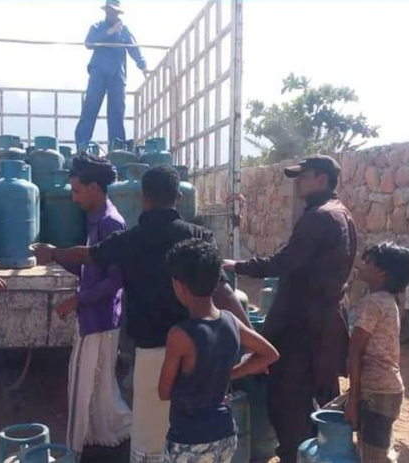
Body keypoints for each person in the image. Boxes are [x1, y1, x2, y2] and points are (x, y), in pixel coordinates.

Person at [32, 165, 249, 463]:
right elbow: (223, 291)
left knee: (150, 436)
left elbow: (86, 255)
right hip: (197, 349)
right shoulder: (199, 236)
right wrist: (247, 335)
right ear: (177, 197)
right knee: (193, 432)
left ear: (144, 198)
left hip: (150, 354)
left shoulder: (130, 240)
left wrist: (53, 252)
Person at [223, 155, 357, 463]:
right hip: (323, 323)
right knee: (321, 398)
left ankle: (294, 455)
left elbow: (285, 261)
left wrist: (240, 266)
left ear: (322, 179)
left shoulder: (321, 217)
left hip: (302, 327)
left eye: (303, 176)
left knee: (288, 402)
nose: (298, 183)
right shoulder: (341, 213)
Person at [159, 239, 279, 463]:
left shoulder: (180, 335)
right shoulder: (231, 321)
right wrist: (231, 373)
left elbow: (164, 392)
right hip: (224, 434)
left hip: (189, 439)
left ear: (179, 286)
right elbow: (270, 354)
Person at [49, 155, 132, 455]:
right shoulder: (96, 218)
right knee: (100, 391)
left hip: (100, 320)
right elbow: (91, 268)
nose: (74, 198)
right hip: (95, 318)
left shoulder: (110, 223)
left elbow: (116, 280)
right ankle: (112, 440)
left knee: (83, 388)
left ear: (94, 187)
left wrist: (77, 300)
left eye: (77, 190)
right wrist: (57, 255)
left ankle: (76, 450)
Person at [346, 243, 409, 463]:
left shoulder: (372, 303)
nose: (363, 264)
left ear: (382, 273)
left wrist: (353, 399)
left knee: (373, 457)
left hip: (376, 392)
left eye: (369, 262)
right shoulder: (388, 301)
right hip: (387, 389)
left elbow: (355, 352)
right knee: (377, 452)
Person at [74, 0, 148, 148]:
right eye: (109, 11)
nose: (112, 14)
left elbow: (133, 48)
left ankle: (116, 148)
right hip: (98, 73)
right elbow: (89, 43)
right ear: (106, 11)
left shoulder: (124, 30)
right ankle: (82, 145)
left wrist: (143, 65)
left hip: (117, 75)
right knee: (90, 108)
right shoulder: (97, 27)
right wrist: (108, 33)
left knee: (117, 112)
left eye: (114, 11)